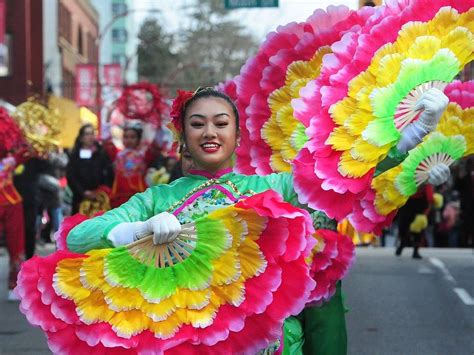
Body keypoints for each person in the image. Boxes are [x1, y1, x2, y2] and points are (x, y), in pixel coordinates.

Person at [66, 87, 449, 354]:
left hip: (275, 344)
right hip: (189, 342)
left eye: (221, 123)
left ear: (237, 134)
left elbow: (342, 172)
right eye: (197, 124)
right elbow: (79, 237)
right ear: (182, 135)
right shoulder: (157, 198)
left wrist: (413, 133)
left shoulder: (276, 186)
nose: (210, 132)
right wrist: (141, 228)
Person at [106, 123, 158, 208]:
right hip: (120, 193)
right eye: (126, 137)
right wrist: (107, 119)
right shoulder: (117, 154)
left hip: (138, 193)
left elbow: (156, 145)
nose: (129, 140)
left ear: (138, 139)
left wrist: (156, 124)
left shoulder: (143, 155)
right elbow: (107, 141)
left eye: (133, 137)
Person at [66, 124, 114, 214]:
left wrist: (103, 190)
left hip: (100, 198)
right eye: (87, 134)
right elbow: (71, 176)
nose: (90, 137)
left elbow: (109, 173)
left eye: (92, 134)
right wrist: (83, 192)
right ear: (81, 138)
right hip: (80, 198)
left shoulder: (101, 153)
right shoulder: (75, 155)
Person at [0, 154, 25, 300]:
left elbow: (30, 150)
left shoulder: (12, 158)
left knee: (16, 244)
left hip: (11, 203)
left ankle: (14, 284)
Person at [395, 184, 434, 259]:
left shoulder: (426, 181)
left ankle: (416, 251)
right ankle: (402, 243)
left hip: (420, 206)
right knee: (402, 227)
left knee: (417, 230)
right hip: (407, 204)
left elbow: (430, 199)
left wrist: (425, 214)